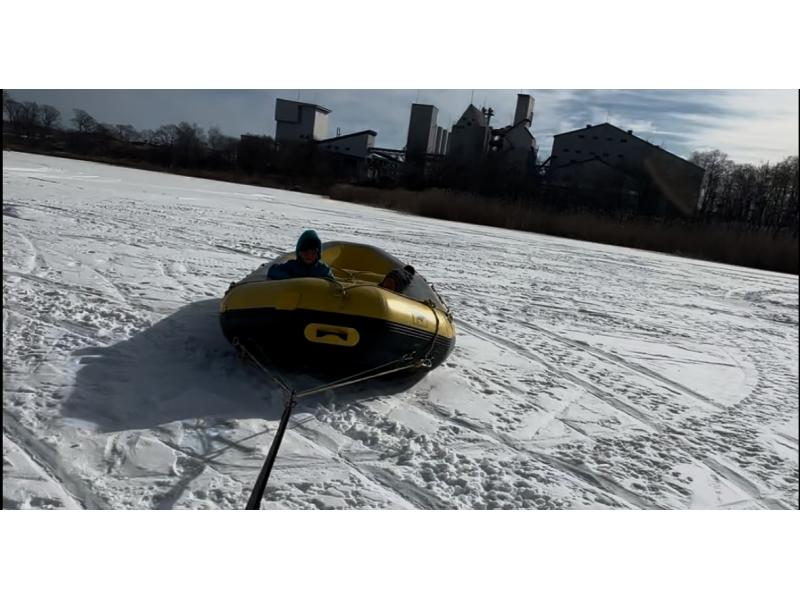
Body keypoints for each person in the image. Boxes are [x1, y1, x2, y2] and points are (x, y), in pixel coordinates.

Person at [267, 230, 333, 280]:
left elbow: (331, 282)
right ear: (299, 253)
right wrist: (290, 279)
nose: (309, 256)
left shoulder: (323, 269)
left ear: (318, 254)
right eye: (305, 252)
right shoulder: (292, 266)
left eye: (313, 253)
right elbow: (273, 270)